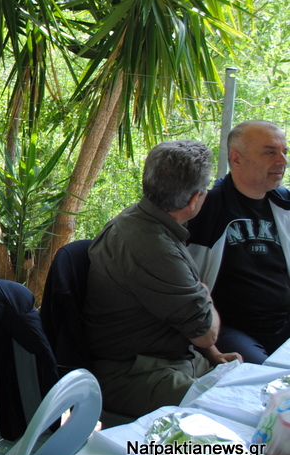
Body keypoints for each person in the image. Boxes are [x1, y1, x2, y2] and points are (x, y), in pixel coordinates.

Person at [84, 140, 241, 418]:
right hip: (137, 373)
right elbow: (205, 333)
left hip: (171, 360)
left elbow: (188, 317)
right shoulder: (153, 247)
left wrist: (214, 356)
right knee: (229, 415)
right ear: (195, 199)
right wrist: (204, 293)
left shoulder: (148, 222)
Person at [187, 120, 290, 364]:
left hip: (284, 322)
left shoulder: (285, 204)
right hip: (231, 330)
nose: (282, 161)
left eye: (284, 152)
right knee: (263, 380)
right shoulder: (207, 208)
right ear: (236, 159)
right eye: (270, 152)